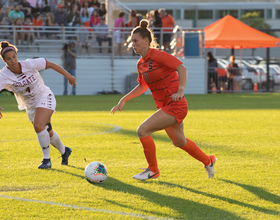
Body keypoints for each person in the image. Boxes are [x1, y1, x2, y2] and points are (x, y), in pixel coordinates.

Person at [110, 20, 216, 181]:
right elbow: (142, 86)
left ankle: (153, 170)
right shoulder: (141, 64)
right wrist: (123, 99)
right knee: (180, 142)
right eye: (131, 41)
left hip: (176, 105)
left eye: (135, 41)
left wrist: (181, 90)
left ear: (146, 41)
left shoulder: (158, 55)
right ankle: (208, 160)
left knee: (142, 130)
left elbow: (182, 68)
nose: (132, 44)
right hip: (165, 107)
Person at [0, 41, 76, 169]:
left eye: (14, 57)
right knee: (47, 132)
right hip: (30, 105)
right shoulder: (3, 75)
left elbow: (50, 64)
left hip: (45, 96)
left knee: (38, 125)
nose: (13, 61)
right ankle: (64, 151)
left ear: (17, 55)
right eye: (8, 59)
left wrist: (69, 76)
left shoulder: (30, 64)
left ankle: (46, 160)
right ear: (4, 61)